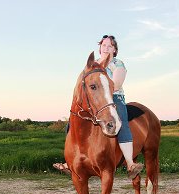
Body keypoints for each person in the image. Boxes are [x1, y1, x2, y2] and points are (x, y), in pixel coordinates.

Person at [53, 35, 144, 179]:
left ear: (114, 50)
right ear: (100, 48)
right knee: (73, 121)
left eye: (110, 46)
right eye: (104, 45)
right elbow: (81, 83)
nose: (106, 48)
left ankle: (130, 162)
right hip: (94, 100)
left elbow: (117, 83)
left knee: (121, 123)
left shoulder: (117, 64)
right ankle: (69, 161)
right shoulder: (92, 64)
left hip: (114, 98)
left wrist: (103, 92)